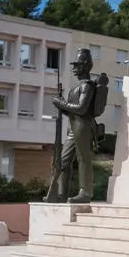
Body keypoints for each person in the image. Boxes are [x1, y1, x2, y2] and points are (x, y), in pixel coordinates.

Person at [44, 48, 97, 204]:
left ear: (86, 65)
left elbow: (81, 109)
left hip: (84, 126)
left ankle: (85, 192)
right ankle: (62, 194)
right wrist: (62, 107)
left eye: (78, 65)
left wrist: (62, 103)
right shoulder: (76, 88)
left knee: (83, 158)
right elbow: (72, 112)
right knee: (63, 160)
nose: (75, 69)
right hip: (73, 127)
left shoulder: (87, 86)